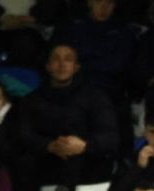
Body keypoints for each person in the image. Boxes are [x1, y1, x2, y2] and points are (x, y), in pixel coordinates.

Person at [14, 44, 118, 191]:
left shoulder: (95, 98)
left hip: (86, 166)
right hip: (45, 165)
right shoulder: (31, 101)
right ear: (47, 66)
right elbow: (21, 135)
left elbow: (110, 136)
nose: (62, 64)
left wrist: (85, 145)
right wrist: (49, 146)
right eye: (56, 59)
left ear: (76, 67)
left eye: (68, 59)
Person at [53, 0, 138, 142]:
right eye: (99, 2)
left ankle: (120, 159)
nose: (103, 7)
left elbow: (119, 65)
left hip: (110, 88)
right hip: (74, 85)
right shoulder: (70, 27)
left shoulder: (124, 32)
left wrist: (84, 63)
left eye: (109, 3)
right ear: (89, 2)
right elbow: (59, 59)